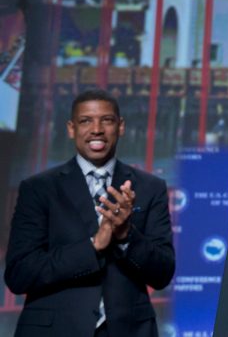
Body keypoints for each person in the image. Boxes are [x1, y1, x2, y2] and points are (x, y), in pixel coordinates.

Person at [4, 89, 175, 337]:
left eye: (106, 120)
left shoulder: (151, 188)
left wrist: (126, 235)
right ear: (71, 129)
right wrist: (94, 245)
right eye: (86, 121)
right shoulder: (38, 189)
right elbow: (19, 275)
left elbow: (162, 274)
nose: (97, 129)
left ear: (121, 126)